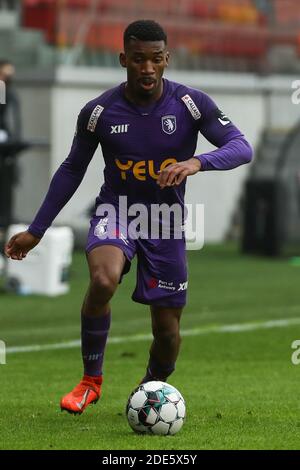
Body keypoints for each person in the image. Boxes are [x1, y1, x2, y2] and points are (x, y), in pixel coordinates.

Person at [4, 20, 253, 414]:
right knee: (102, 280)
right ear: (124, 59)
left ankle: (150, 390)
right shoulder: (98, 112)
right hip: (116, 209)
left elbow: (242, 147)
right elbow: (71, 170)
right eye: (139, 59)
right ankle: (90, 380)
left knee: (167, 333)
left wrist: (196, 162)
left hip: (165, 221)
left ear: (166, 60)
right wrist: (37, 230)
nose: (148, 68)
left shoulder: (191, 104)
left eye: (156, 59)